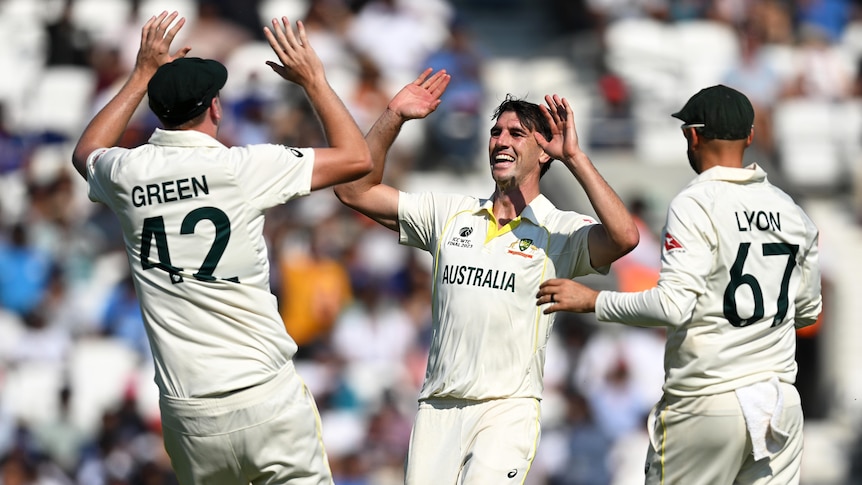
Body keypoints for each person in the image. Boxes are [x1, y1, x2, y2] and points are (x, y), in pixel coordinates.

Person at [70, 11, 372, 485]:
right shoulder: (242, 167)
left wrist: (140, 75)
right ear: (214, 108)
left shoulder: (126, 174)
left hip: (189, 413)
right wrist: (313, 79)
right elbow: (358, 158)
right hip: (264, 395)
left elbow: (85, 152)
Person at [333, 69, 639, 484]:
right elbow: (354, 191)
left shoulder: (558, 229)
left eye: (516, 133)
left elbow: (624, 236)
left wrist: (576, 158)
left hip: (507, 409)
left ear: (544, 151)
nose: (501, 140)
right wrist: (394, 115)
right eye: (496, 132)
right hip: (436, 407)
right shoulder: (450, 214)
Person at [536, 84, 822, 485]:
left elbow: (673, 306)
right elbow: (807, 310)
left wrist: (593, 301)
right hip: (778, 405)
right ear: (751, 137)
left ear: (692, 135)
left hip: (709, 397)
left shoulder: (697, 202)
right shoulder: (791, 211)